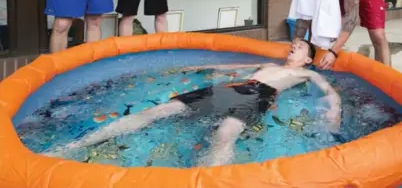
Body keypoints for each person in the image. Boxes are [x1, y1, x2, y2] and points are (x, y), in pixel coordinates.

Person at [44, 39, 342, 167]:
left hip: (259, 96)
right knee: (160, 110)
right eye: (294, 44)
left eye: (300, 46)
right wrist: (193, 69)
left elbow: (329, 89)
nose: (294, 46)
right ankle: (74, 147)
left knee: (225, 134)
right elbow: (234, 66)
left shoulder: (304, 74)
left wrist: (334, 111)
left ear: (307, 58)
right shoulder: (266, 62)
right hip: (236, 87)